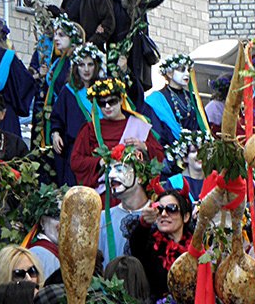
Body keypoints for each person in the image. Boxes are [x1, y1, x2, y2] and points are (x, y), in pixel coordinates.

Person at [69, 71, 165, 188]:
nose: (107, 106)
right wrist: (98, 162)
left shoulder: (138, 125)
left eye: (112, 101)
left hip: (133, 192)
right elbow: (75, 161)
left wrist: (144, 147)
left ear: (121, 100)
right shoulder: (90, 129)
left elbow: (160, 157)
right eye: (102, 103)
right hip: (103, 192)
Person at [50, 42, 105, 187]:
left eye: (90, 64)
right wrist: (55, 133)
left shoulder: (104, 90)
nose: (86, 69)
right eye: (81, 65)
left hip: (101, 149)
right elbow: (57, 116)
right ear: (76, 67)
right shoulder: (68, 91)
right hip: (76, 151)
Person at [110, 0, 164, 109]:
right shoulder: (114, 2)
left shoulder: (141, 5)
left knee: (135, 88)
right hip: (119, 52)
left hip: (137, 55)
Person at [129, 190, 193, 304]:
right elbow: (136, 245)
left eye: (171, 209)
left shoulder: (196, 246)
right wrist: (144, 223)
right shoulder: (148, 243)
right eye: (159, 209)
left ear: (186, 216)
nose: (163, 214)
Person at [32, 16, 81, 156]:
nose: (55, 39)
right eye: (55, 35)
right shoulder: (58, 62)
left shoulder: (79, 63)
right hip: (55, 119)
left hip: (70, 121)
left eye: (61, 35)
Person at [146, 54, 206, 146]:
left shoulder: (193, 98)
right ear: (169, 73)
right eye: (182, 70)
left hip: (196, 150)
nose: (186, 74)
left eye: (188, 70)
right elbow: (158, 131)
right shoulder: (157, 99)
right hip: (171, 150)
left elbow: (203, 124)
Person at [26, 184, 65, 281]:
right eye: (57, 216)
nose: (63, 223)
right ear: (42, 222)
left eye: (68, 217)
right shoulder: (38, 254)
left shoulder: (62, 250)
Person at [163, 129, 210, 202]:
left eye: (202, 150)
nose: (199, 155)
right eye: (194, 151)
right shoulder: (174, 183)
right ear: (185, 158)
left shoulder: (214, 179)